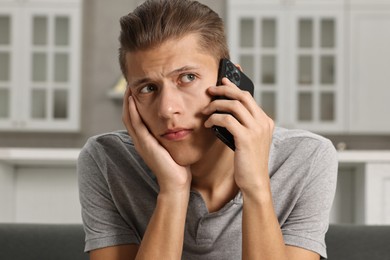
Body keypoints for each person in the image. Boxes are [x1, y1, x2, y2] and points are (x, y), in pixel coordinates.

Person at [77, 0, 338, 259]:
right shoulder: (106, 160)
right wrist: (173, 191)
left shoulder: (306, 158)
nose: (167, 109)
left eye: (187, 78)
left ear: (231, 82)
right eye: (147, 88)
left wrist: (256, 186)